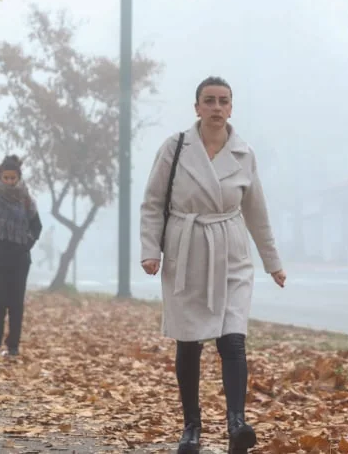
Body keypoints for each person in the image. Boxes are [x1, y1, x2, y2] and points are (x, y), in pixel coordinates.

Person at [140, 76, 286, 454]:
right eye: (209, 101)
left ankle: (237, 424)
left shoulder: (244, 153)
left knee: (233, 338)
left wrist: (272, 262)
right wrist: (150, 250)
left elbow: (257, 211)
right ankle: (192, 428)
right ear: (197, 107)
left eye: (223, 101)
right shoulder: (174, 149)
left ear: (231, 108)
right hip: (186, 252)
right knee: (189, 343)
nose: (217, 107)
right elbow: (153, 202)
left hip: (232, 252)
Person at [0, 155, 42, 358]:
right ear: (0, 177)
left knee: (16, 302)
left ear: (18, 177)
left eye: (13, 178)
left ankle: (13, 345)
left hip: (19, 257)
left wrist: (26, 244)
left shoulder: (27, 200)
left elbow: (36, 226)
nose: (10, 182)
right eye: (6, 178)